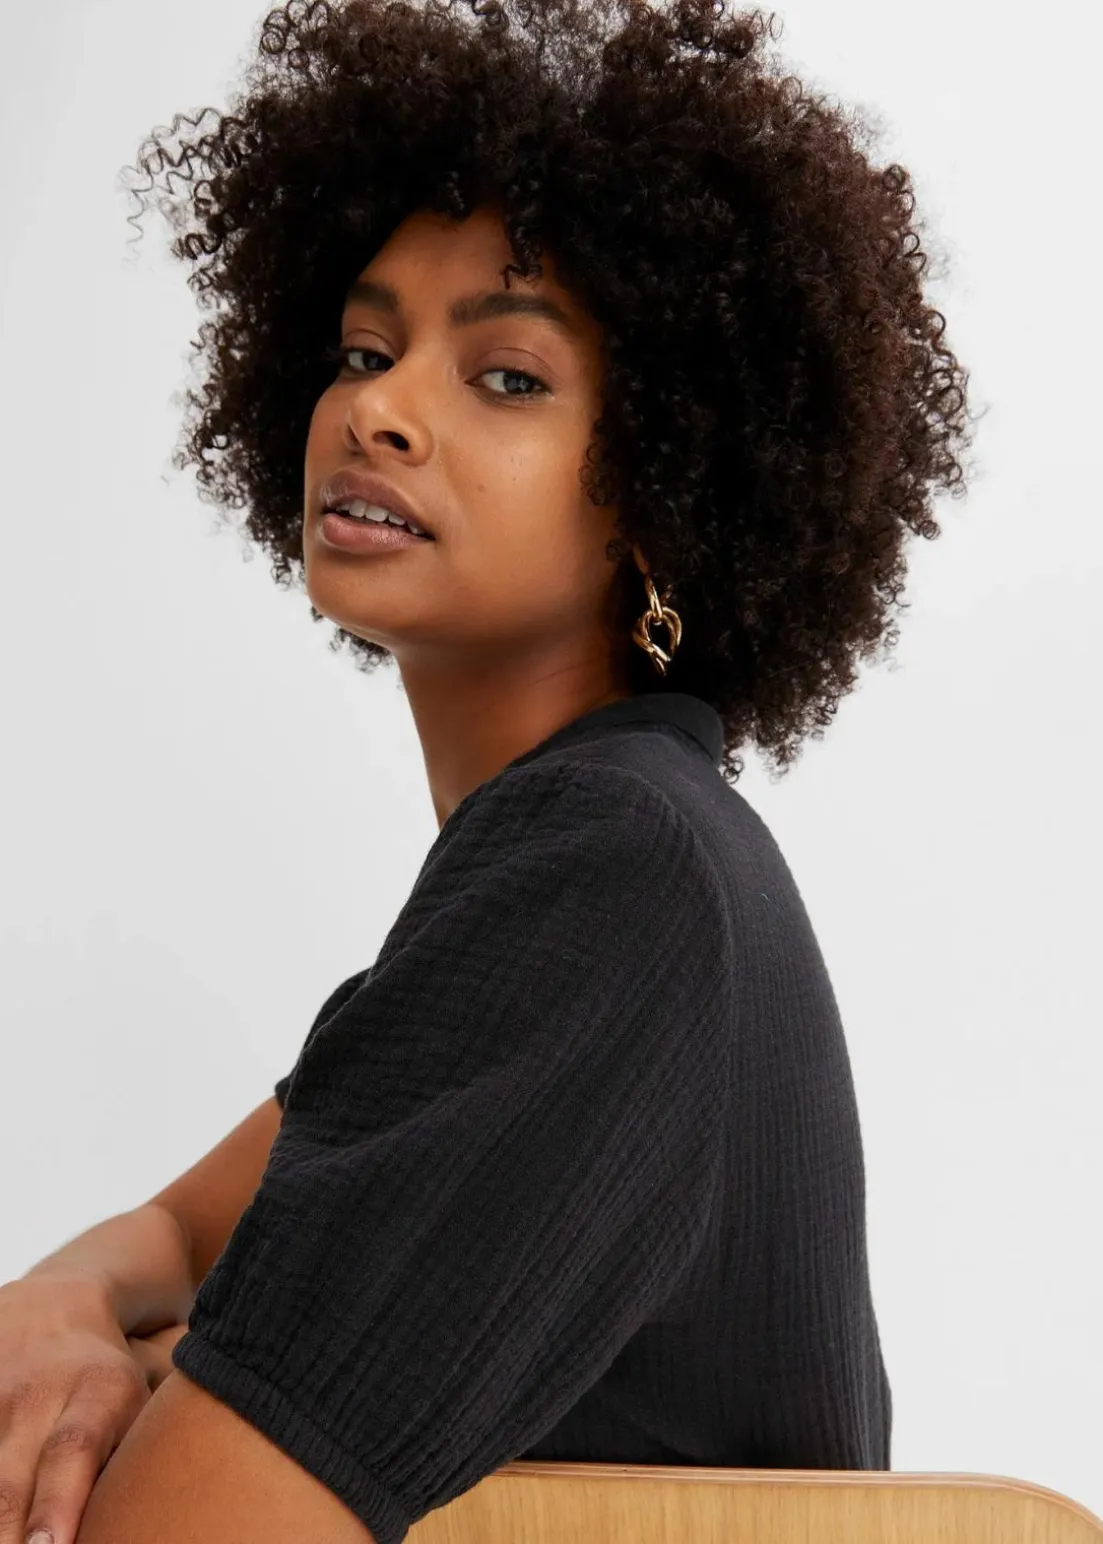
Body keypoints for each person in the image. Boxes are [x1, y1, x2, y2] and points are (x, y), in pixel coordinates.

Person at [2, 0, 977, 1540]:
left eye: (506, 376)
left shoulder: (610, 883)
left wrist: (147, 1370)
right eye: (363, 350)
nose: (377, 410)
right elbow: (171, 1239)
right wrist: (65, 1310)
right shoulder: (577, 873)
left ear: (661, 495)